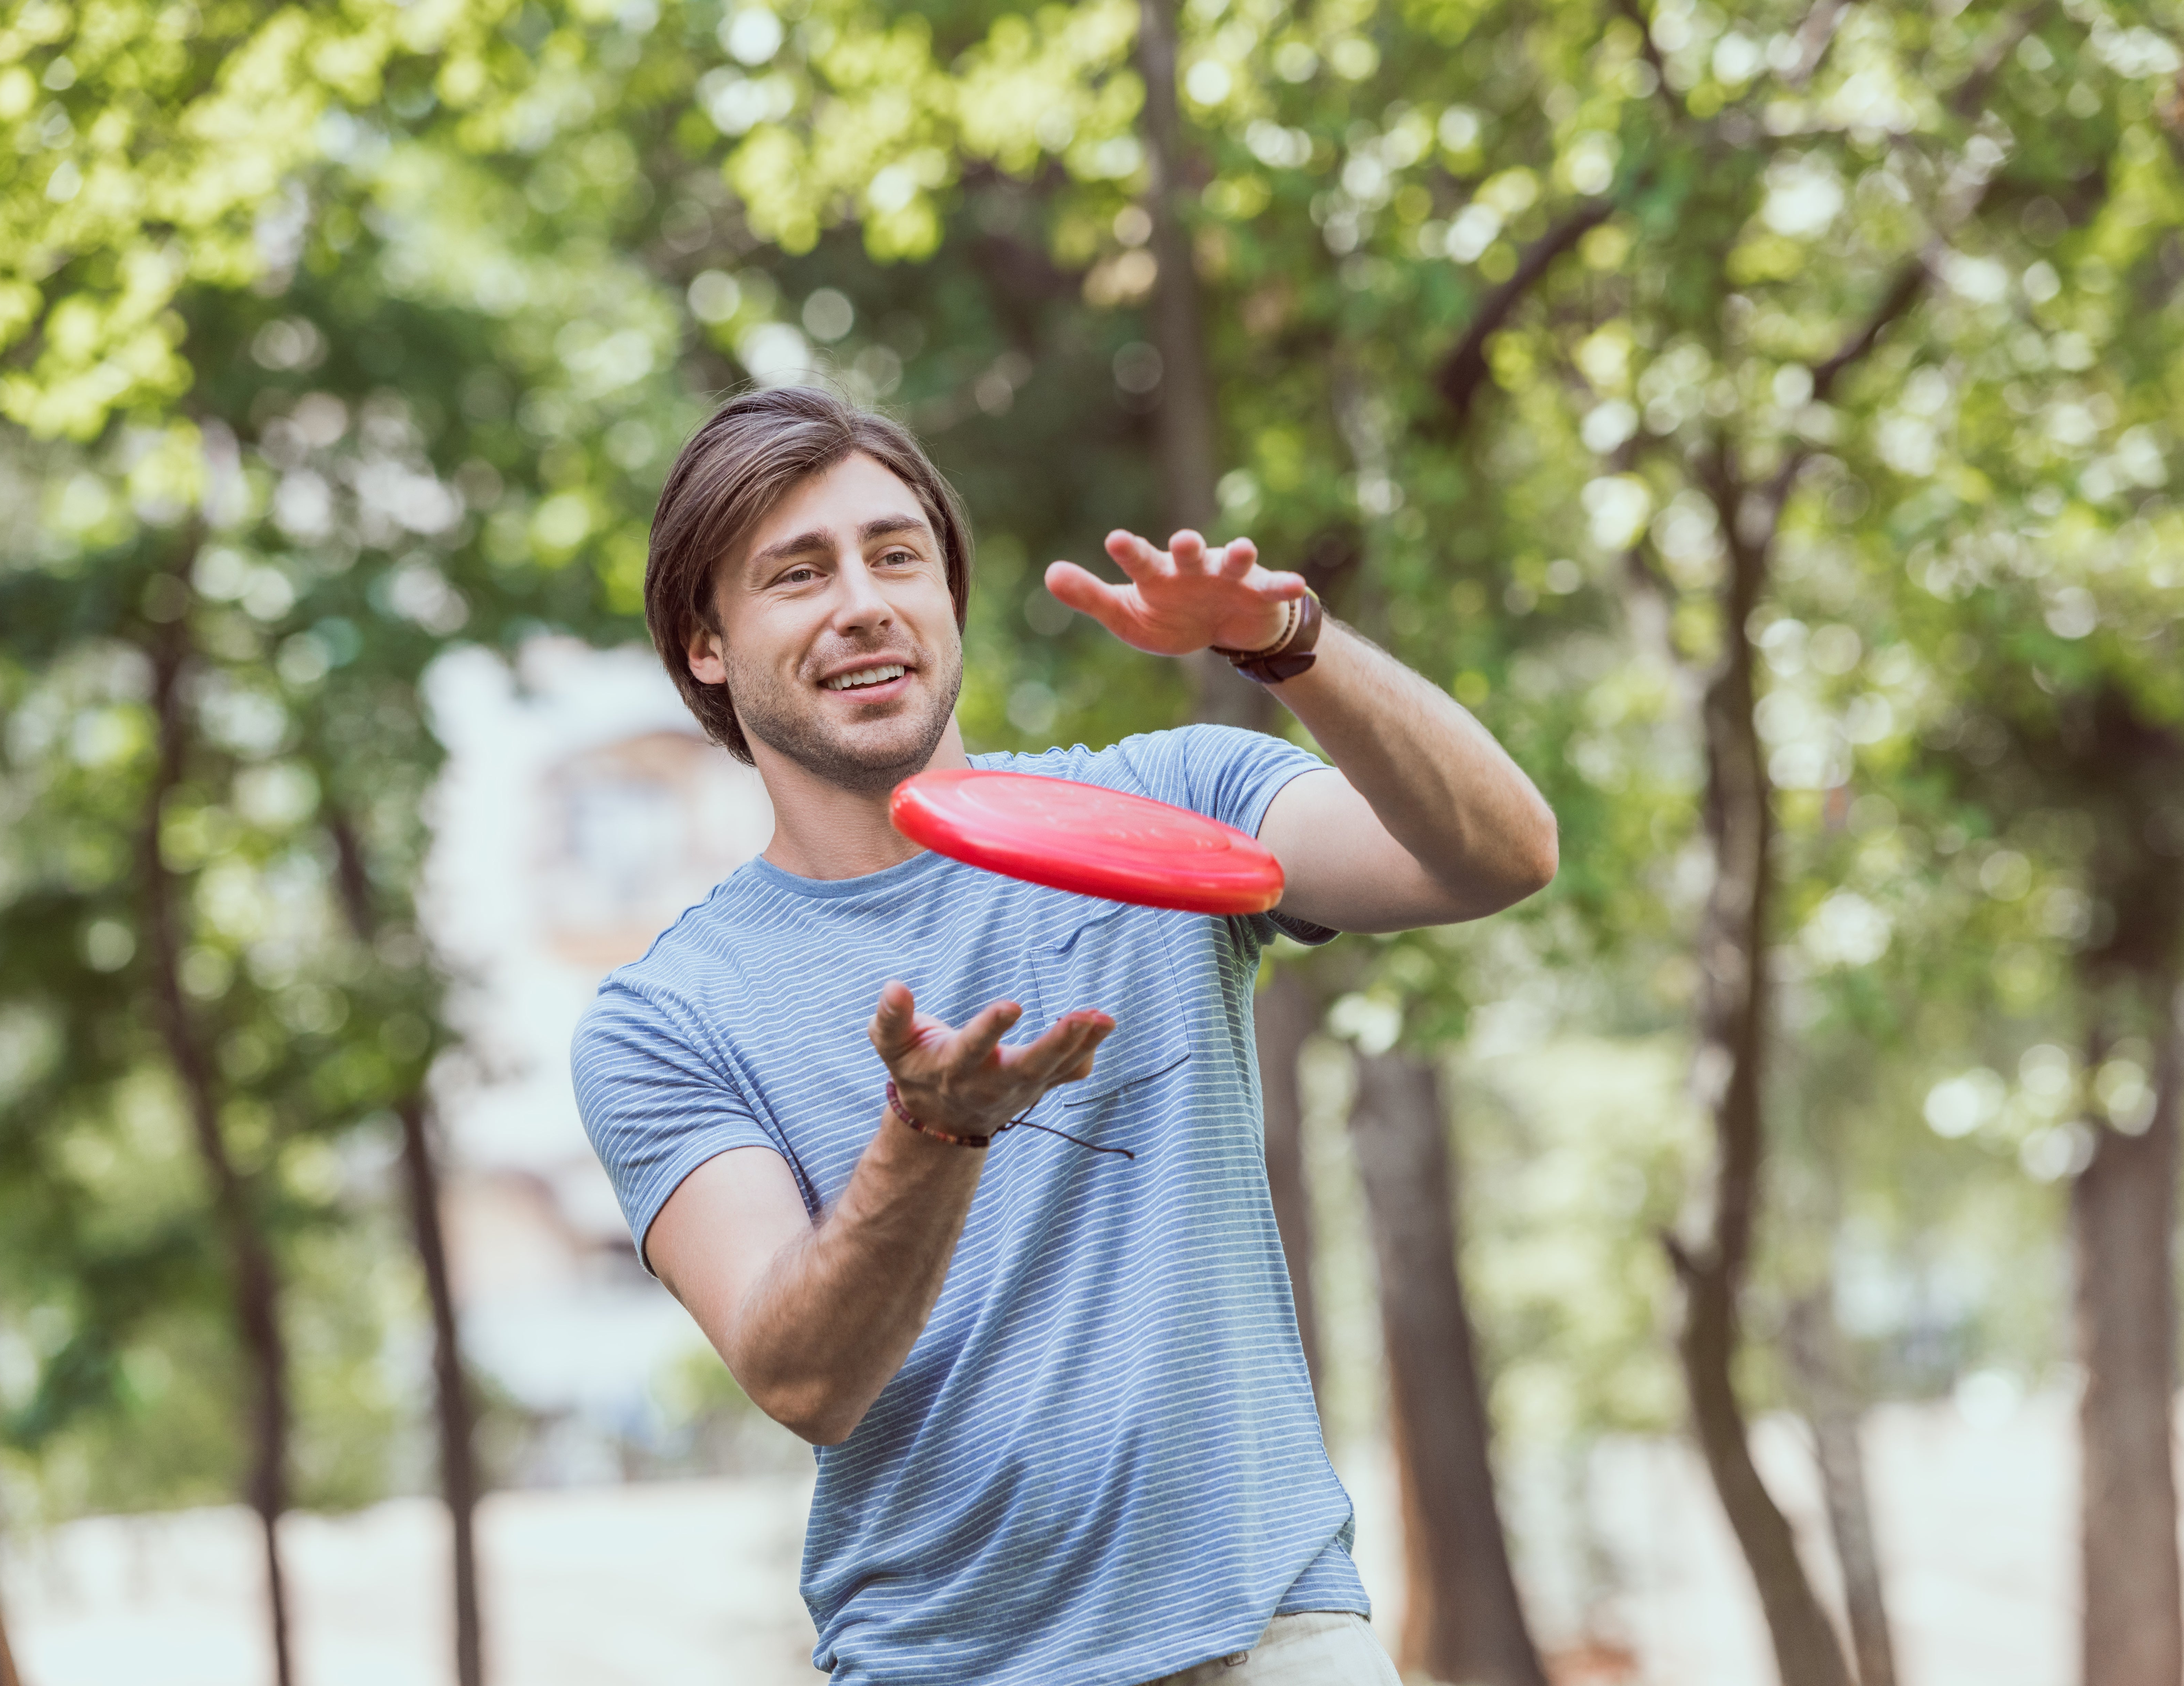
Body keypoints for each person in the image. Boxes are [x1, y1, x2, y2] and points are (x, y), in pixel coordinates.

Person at [572, 384, 1556, 1686]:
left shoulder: (1172, 807)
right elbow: (803, 1377)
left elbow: (1496, 858)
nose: (863, 600)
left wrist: (1290, 639)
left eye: (896, 554)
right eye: (796, 574)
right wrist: (930, 1137)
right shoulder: (667, 1018)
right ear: (707, 646)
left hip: (1276, 1641)